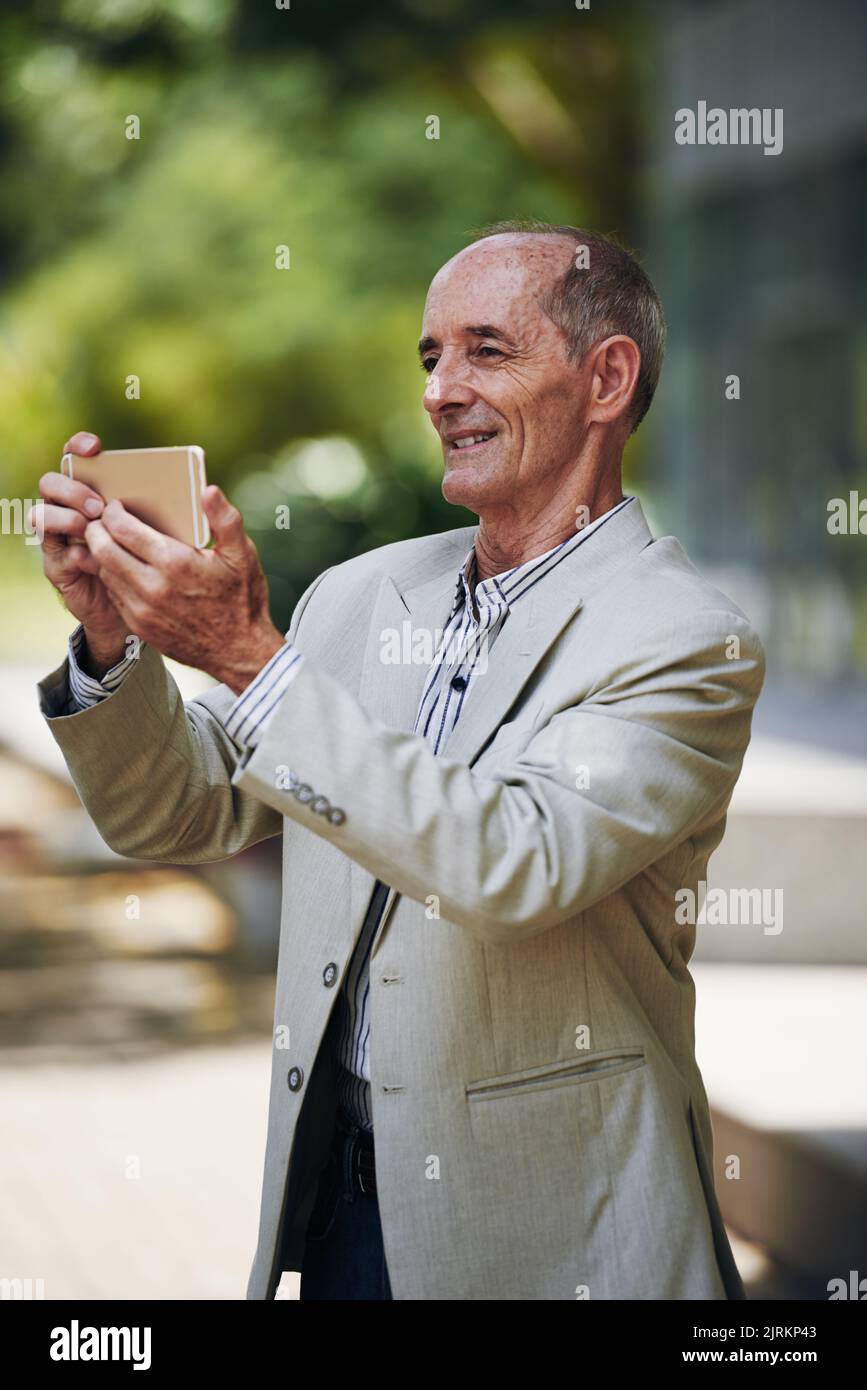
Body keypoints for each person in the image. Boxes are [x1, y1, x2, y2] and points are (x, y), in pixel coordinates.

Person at [34, 221, 764, 1300]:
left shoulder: (683, 637)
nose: (439, 390)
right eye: (430, 357)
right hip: (331, 1217)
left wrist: (249, 654)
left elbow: (510, 862)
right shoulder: (361, 595)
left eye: (485, 349)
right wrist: (111, 640)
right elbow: (175, 814)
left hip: (555, 1240)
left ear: (608, 377)